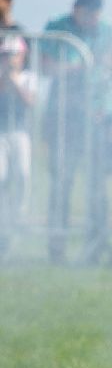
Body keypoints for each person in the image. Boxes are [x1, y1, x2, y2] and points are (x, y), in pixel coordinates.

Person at [41, 0, 112, 264]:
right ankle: (57, 248)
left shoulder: (108, 31)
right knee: (62, 183)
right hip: (64, 117)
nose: (91, 18)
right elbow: (46, 67)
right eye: (86, 12)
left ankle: (96, 245)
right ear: (75, 8)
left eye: (95, 13)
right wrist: (81, 66)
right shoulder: (57, 28)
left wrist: (108, 64)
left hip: (99, 116)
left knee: (97, 186)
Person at [0, 27, 34, 260]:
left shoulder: (29, 76)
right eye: (5, 55)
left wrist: (14, 82)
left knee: (21, 175)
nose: (9, 59)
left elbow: (30, 101)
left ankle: (17, 219)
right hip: (1, 132)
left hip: (20, 132)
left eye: (13, 54)